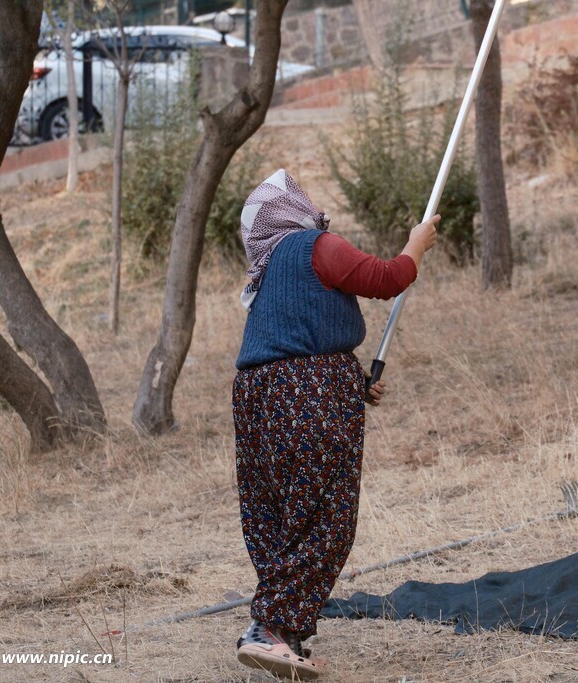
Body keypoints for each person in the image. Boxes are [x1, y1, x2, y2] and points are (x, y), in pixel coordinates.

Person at [232, 169, 439, 680]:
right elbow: (386, 279)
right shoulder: (313, 245)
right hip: (308, 393)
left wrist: (348, 381)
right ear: (291, 209)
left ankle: (286, 635)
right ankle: (270, 629)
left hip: (257, 397)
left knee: (278, 516)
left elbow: (294, 337)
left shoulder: (266, 270)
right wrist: (416, 246)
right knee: (325, 516)